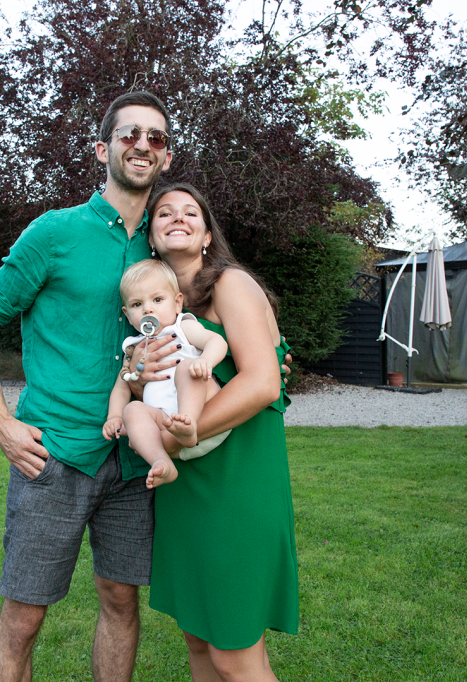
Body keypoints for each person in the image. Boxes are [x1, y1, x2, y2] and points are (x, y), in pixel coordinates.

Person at [0, 92, 182, 682]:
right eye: (130, 133)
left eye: (155, 137)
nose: (142, 144)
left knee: (120, 601)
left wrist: (275, 359)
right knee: (23, 618)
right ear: (103, 146)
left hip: (135, 459)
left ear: (166, 157)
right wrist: (0, 421)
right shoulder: (55, 233)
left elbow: (217, 316)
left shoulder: (165, 244)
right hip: (52, 455)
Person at [134, 183, 299, 681]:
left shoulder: (231, 285)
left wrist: (169, 440)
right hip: (186, 492)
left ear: (207, 235)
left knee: (233, 652)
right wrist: (134, 375)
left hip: (240, 483)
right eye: (164, 212)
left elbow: (264, 382)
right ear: (152, 237)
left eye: (191, 213)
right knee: (199, 638)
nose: (177, 218)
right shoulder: (152, 309)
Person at [103, 259, 228, 488]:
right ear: (127, 313)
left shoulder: (182, 327)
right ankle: (160, 462)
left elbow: (216, 341)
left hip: (203, 412)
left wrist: (205, 361)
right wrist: (114, 416)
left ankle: (188, 425)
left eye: (158, 300)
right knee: (133, 409)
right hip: (166, 426)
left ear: (178, 303)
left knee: (185, 368)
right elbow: (122, 385)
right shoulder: (133, 347)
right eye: (137, 304)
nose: (148, 309)